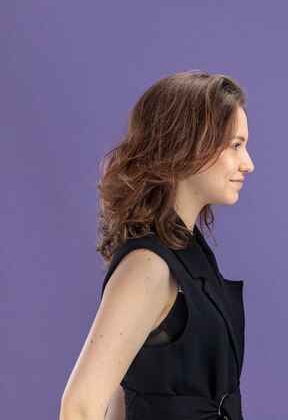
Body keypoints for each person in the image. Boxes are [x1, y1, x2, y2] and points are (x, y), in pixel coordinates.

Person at [60, 71, 254, 420]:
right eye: (236, 145)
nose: (248, 164)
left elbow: (129, 393)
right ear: (189, 142)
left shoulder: (190, 253)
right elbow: (79, 407)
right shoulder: (148, 265)